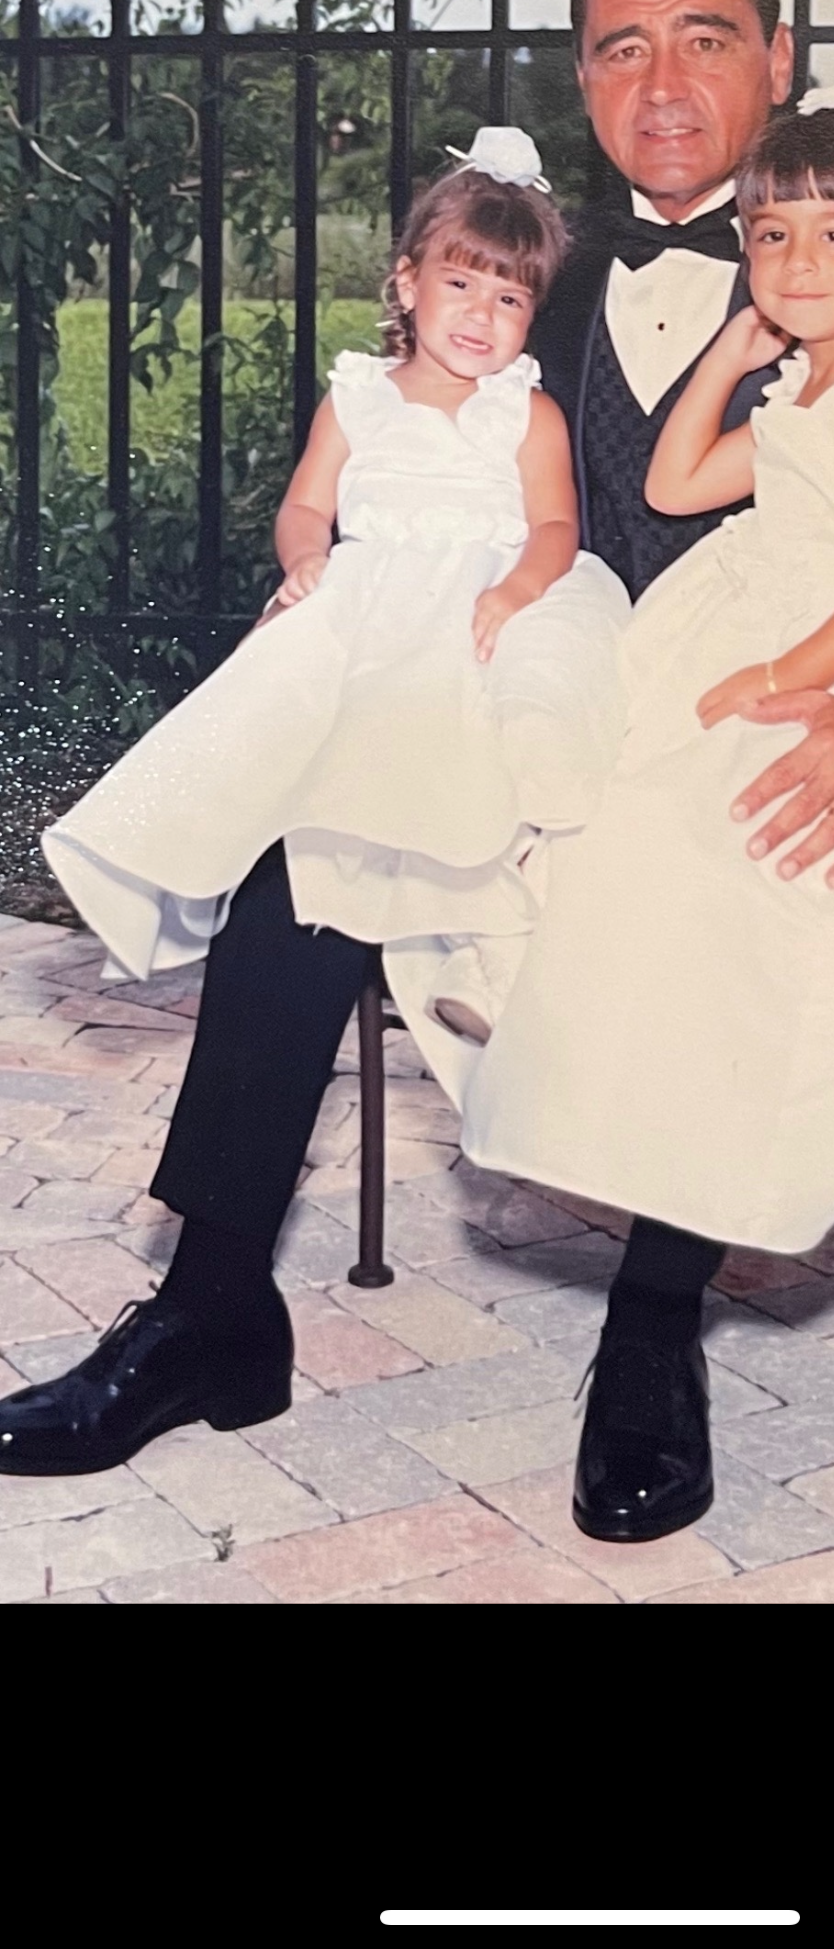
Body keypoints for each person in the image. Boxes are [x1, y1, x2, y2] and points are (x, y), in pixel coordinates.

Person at [0, 0, 834, 1502]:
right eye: (617, 48)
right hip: (534, 701)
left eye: (704, 39)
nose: (660, 83)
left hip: (747, 726)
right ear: (579, 81)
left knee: (714, 875)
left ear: (776, 60)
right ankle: (211, 1314)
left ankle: (651, 1335)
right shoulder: (528, 280)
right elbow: (394, 477)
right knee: (307, 859)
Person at [2, 133, 628, 1475]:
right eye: (463, 287)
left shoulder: (532, 413)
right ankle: (214, 1311)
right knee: (285, 881)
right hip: (374, 660)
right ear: (404, 283)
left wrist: (515, 596)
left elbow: (557, 532)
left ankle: (218, 1312)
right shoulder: (362, 396)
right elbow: (306, 509)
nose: (485, 316)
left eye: (511, 297)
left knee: (447, 827)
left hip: (522, 671)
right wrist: (304, 570)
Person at [465, 103, 834, 1538]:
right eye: (767, 235)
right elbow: (668, 483)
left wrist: (788, 677)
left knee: (707, 869)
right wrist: (737, 349)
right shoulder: (805, 388)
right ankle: (575, 1063)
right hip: (745, 632)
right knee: (584, 833)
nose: (793, 259)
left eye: (833, 234)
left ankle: (658, 1297)